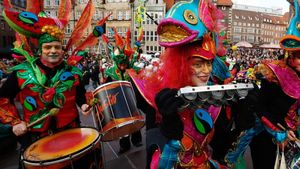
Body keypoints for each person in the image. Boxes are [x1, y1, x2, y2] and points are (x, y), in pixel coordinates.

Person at [0, 7, 96, 169]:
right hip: (36, 137)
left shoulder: (72, 72)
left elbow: (79, 96)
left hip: (70, 132)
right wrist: (15, 122)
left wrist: (84, 105)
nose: (53, 51)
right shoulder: (24, 72)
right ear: (41, 50)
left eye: (57, 47)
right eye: (48, 47)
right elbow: (2, 99)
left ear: (62, 49)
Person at [102, 29, 143, 154]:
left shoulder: (133, 69)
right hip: (118, 100)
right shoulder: (110, 72)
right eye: (120, 64)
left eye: (124, 64)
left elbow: (140, 83)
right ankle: (124, 145)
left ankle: (136, 139)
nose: (122, 66)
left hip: (132, 99)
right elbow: (104, 87)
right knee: (122, 124)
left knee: (134, 120)